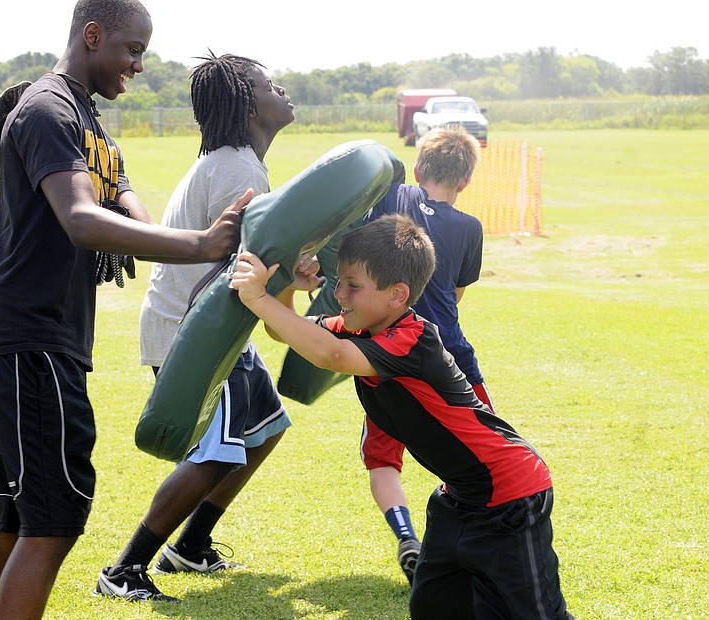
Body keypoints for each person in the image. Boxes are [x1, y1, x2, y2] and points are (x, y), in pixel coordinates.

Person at [0, 3, 246, 619]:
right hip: (28, 336)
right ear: (93, 35)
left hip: (27, 335)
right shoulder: (48, 110)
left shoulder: (88, 120)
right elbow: (81, 219)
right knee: (51, 522)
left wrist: (233, 241)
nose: (139, 65)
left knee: (12, 524)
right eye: (132, 49)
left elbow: (131, 211)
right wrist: (198, 243)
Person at [231, 214, 573, 619]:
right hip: (458, 499)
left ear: (397, 295)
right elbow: (286, 331)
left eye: (353, 286)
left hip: (511, 497)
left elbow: (331, 355)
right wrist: (286, 287)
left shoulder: (412, 338)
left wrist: (257, 298)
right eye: (338, 281)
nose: (338, 293)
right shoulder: (361, 325)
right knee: (434, 606)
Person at [95, 52, 304, 603]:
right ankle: (125, 569)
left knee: (264, 428)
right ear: (244, 103)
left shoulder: (239, 161)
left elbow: (250, 254)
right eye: (267, 84)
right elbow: (244, 266)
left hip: (215, 328)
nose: (280, 88)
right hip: (193, 332)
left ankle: (191, 545)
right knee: (213, 453)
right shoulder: (236, 166)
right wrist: (297, 278)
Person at [361, 126, 495, 584]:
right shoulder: (469, 227)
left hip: (384, 353)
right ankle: (467, 547)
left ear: (418, 170)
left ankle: (406, 538)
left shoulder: (393, 198)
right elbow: (455, 295)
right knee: (486, 455)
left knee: (382, 459)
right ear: (466, 183)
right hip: (449, 356)